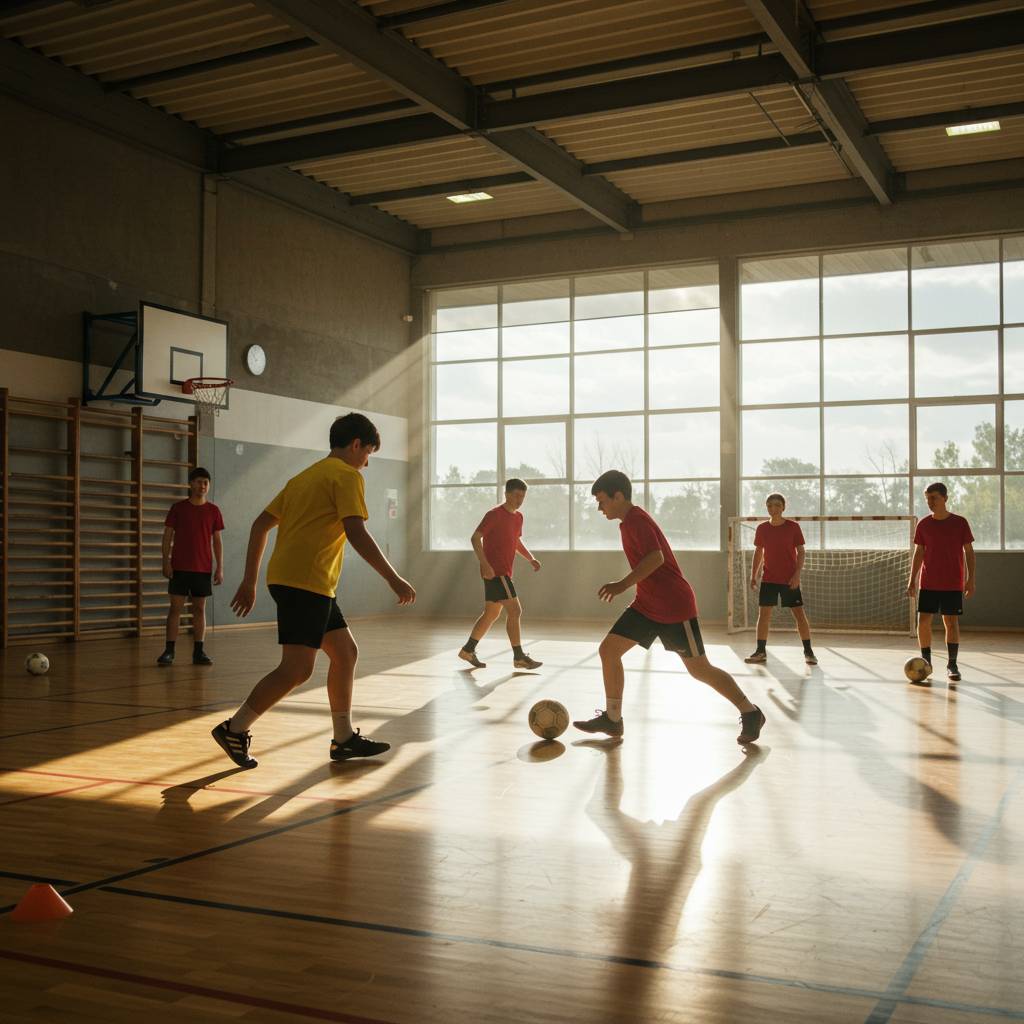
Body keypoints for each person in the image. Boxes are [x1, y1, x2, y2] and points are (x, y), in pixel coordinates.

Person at [213, 413, 415, 769]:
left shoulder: (304, 477)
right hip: (305, 582)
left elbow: (261, 524)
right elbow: (356, 531)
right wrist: (392, 577)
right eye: (368, 453)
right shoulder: (346, 475)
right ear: (356, 445)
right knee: (296, 669)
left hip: (302, 581)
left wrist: (249, 580)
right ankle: (235, 728)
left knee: (345, 653)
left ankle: (343, 739)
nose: (367, 463)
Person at [574, 470, 765, 745]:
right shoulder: (626, 524)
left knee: (700, 669)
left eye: (602, 500)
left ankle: (750, 712)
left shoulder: (637, 521)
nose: (599, 507)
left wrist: (622, 584)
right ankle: (613, 720)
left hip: (674, 606)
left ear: (619, 496)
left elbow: (656, 558)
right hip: (647, 605)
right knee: (609, 650)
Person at [458, 478, 543, 671]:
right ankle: (519, 656)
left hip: (503, 572)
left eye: (522, 496)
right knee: (515, 611)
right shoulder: (494, 514)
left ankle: (468, 650)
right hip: (497, 573)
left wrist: (530, 558)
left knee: (491, 613)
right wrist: (485, 565)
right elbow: (475, 538)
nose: (519, 500)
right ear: (506, 494)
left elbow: (516, 542)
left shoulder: (518, 517)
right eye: (516, 495)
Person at [906, 482, 975, 684]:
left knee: (951, 622)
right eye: (927, 498)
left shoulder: (960, 523)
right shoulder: (924, 525)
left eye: (934, 497)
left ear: (945, 498)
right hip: (928, 583)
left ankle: (952, 664)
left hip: (953, 583)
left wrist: (971, 580)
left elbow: (969, 553)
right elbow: (919, 552)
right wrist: (912, 580)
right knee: (923, 621)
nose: (930, 502)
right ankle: (925, 661)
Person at [157, 466, 223, 666]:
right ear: (190, 484)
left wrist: (220, 567)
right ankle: (169, 651)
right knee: (175, 609)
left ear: (208, 486)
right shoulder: (178, 508)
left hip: (202, 569)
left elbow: (217, 541)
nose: (202, 486)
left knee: (199, 610)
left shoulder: (213, 511)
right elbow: (167, 536)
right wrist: (166, 560)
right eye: (198, 482)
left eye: (205, 482)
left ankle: (199, 651)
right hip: (179, 567)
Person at [744, 493, 817, 666]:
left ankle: (809, 652)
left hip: (789, 580)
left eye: (777, 505)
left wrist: (797, 574)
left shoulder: (793, 527)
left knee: (799, 615)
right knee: (764, 616)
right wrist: (753, 575)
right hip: (769, 579)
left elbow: (801, 551)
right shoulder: (762, 528)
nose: (773, 508)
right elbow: (759, 552)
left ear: (783, 507)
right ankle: (760, 651)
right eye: (769, 505)